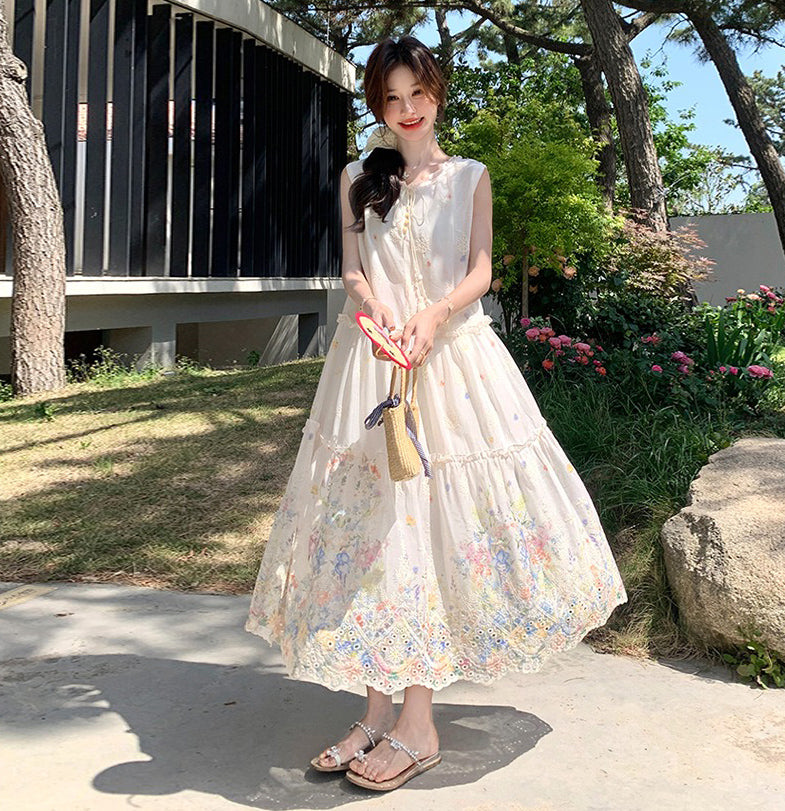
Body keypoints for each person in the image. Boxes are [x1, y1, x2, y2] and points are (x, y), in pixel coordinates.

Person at [245, 34, 628, 792]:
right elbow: (353, 269)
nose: (407, 109)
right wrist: (375, 310)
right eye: (391, 98)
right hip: (373, 362)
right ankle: (376, 712)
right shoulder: (358, 176)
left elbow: (480, 271)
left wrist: (432, 315)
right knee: (374, 531)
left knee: (426, 530)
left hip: (453, 363)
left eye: (416, 93)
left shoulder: (469, 177)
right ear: (378, 105)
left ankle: (418, 724)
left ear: (436, 92)